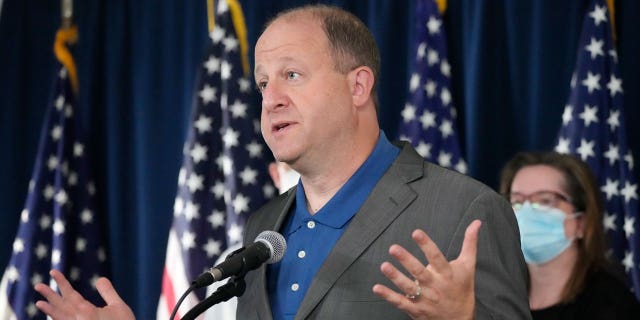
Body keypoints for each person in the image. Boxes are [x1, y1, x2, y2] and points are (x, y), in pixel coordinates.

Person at [34, 4, 531, 319]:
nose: (270, 99)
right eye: (263, 83)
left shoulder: (463, 210)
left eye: (292, 75)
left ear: (358, 86)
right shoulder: (264, 229)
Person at [499, 151, 640, 319]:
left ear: (580, 222)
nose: (528, 211)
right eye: (517, 202)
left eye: (545, 201)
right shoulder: (496, 296)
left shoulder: (612, 305)